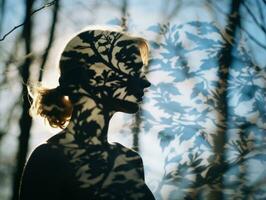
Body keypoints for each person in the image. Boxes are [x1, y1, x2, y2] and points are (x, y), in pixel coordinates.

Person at [19, 28, 155, 200]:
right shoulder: (50, 159)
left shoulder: (130, 160)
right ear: (90, 75)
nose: (145, 81)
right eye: (132, 68)